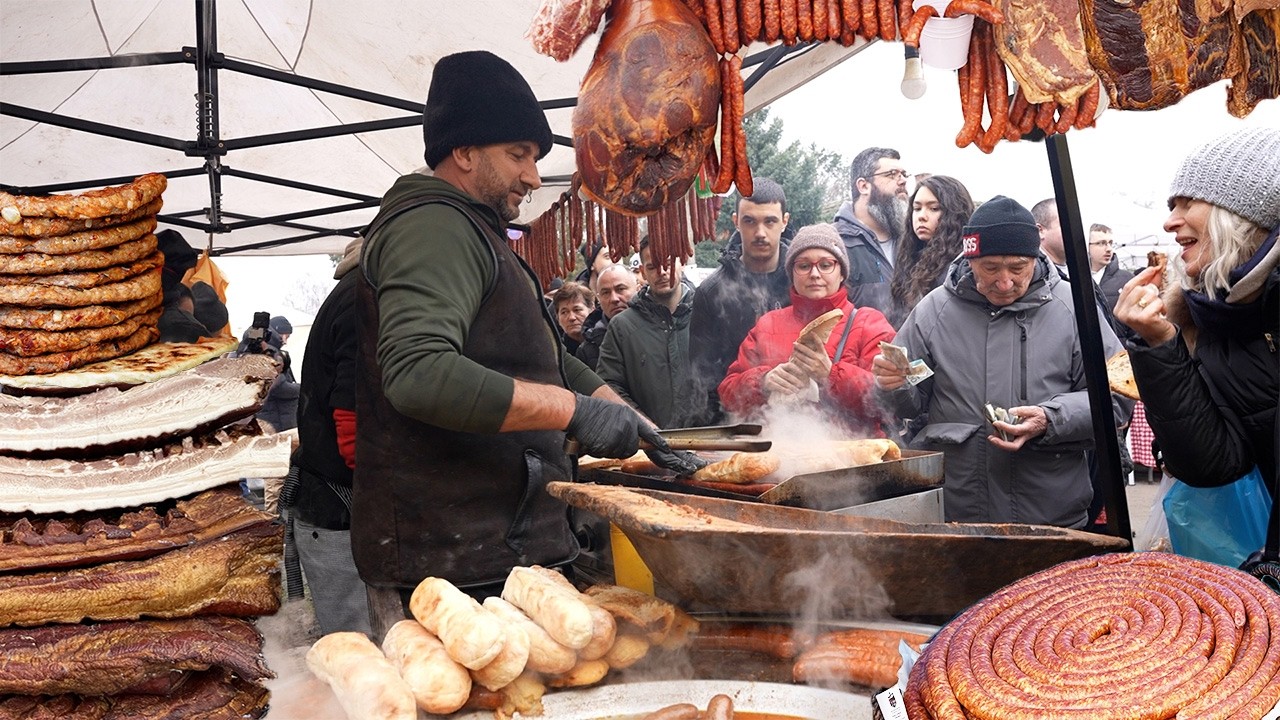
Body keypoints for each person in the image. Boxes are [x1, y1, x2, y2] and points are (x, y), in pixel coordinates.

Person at [351, 51, 688, 625]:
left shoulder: (473, 231)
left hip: (493, 552)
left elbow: (549, 360)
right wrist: (571, 412)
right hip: (452, 571)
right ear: (463, 152)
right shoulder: (433, 226)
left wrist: (625, 417)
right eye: (518, 155)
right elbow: (418, 372)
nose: (533, 177)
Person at [873, 196, 1123, 528]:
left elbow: (1117, 397)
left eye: (1018, 268)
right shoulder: (934, 311)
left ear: (1035, 258)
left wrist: (1052, 418)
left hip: (1050, 515)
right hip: (959, 514)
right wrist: (894, 385)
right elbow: (910, 403)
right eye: (990, 268)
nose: (1004, 281)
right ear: (969, 258)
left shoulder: (1074, 308)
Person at [1113, 126, 1278, 502]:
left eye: (1187, 203)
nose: (1170, 222)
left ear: (1245, 209)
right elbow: (1213, 463)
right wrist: (1161, 344)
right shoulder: (1209, 317)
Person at [719, 224, 896, 435]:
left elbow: (887, 401)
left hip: (856, 457)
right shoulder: (768, 324)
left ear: (842, 273)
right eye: (803, 266)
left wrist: (830, 374)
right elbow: (728, 394)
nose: (814, 274)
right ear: (792, 273)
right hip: (782, 455)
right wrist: (763, 382)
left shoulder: (869, 323)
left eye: (826, 265)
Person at [285, 237, 370, 636]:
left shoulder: (359, 289)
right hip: (341, 512)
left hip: (340, 507)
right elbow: (352, 430)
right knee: (363, 658)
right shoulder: (364, 299)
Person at [688, 178, 793, 425]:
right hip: (735, 424)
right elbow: (702, 380)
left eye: (770, 221)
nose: (760, 233)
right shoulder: (711, 293)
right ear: (736, 221)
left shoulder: (804, 282)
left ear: (784, 222)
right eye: (749, 221)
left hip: (804, 422)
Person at [596, 237, 696, 428]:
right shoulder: (622, 327)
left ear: (681, 262)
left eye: (667, 264)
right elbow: (609, 387)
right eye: (652, 267)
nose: (661, 272)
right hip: (650, 448)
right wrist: (644, 426)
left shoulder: (707, 311)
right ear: (642, 272)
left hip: (714, 443)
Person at [887, 175, 975, 328]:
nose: (922, 216)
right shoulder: (909, 259)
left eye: (934, 208)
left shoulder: (963, 266)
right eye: (917, 208)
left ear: (954, 214)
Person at [833, 147, 909, 314]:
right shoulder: (836, 243)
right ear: (864, 186)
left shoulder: (913, 241)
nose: (902, 180)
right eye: (892, 174)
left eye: (904, 174)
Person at [576, 263, 638, 371]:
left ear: (637, 288)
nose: (614, 298)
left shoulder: (660, 327)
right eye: (606, 293)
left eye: (620, 289)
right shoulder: (587, 350)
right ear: (598, 298)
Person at [256, 315, 299, 432]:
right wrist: (304, 388)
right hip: (275, 417)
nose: (285, 341)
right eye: (284, 336)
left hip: (273, 415)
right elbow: (280, 387)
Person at [1087, 223, 1134, 311]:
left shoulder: (1127, 279)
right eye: (1101, 243)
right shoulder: (1073, 278)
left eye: (1110, 243)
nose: (1109, 249)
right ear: (1087, 246)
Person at [552, 281, 594, 356]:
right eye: (564, 312)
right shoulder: (556, 353)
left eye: (577, 310)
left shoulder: (606, 340)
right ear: (557, 318)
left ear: (591, 309)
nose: (571, 317)